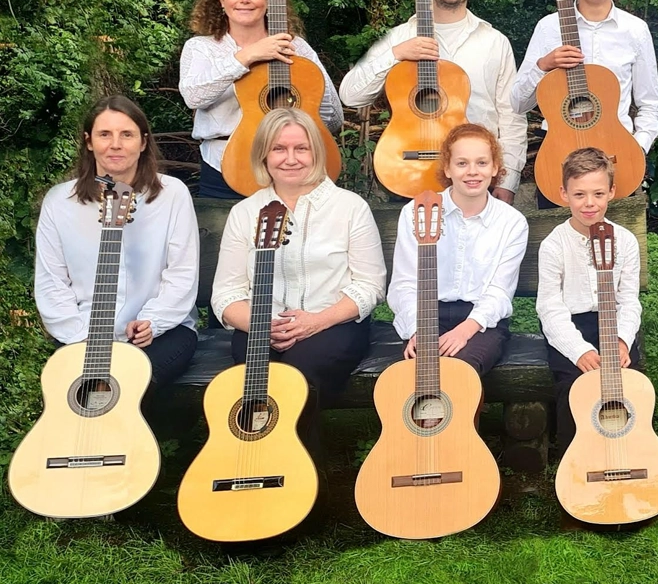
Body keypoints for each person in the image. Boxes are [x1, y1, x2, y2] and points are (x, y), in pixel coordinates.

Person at [209, 108, 386, 426]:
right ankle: (248, 463)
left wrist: (317, 321)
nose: (290, 158)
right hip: (258, 326)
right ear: (264, 154)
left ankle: (297, 469)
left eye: (300, 148)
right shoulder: (245, 213)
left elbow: (370, 284)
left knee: (297, 379)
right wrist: (262, 325)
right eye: (279, 148)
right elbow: (226, 293)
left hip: (333, 323)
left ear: (315, 153)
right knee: (250, 388)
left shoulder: (349, 208)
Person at [339, 0, 528, 202]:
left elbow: (511, 115)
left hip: (476, 177)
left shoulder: (494, 42)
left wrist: (509, 179)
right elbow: (350, 95)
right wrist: (396, 54)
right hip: (407, 171)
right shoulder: (400, 37)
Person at [34, 95, 199, 388]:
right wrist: (81, 335)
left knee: (128, 383)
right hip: (84, 333)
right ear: (88, 142)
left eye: (127, 134)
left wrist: (152, 322)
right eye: (104, 134)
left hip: (160, 332)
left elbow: (181, 274)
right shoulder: (59, 202)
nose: (116, 144)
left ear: (143, 142)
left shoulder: (172, 194)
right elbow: (51, 282)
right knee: (69, 390)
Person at [511, 0, 658, 206]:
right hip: (558, 158)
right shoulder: (548, 28)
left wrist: (637, 148)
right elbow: (518, 103)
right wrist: (544, 66)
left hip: (617, 156)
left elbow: (650, 104)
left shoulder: (636, 31)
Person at [179, 0, 342, 198]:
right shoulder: (201, 47)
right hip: (227, 166)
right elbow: (194, 97)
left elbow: (333, 117)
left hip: (295, 167)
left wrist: (295, 119)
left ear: (270, 0)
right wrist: (247, 57)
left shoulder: (297, 49)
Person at [387, 123, 528, 376]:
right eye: (462, 163)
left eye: (482, 163)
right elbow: (404, 283)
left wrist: (465, 330)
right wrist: (417, 330)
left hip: (481, 320)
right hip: (426, 313)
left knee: (458, 372)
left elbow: (499, 291)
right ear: (447, 168)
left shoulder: (512, 222)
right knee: (414, 374)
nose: (472, 172)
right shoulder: (416, 212)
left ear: (495, 167)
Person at [536, 148, 643, 454]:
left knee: (630, 384)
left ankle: (631, 450)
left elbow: (629, 301)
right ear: (563, 194)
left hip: (614, 325)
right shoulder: (554, 244)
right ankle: (577, 457)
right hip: (571, 328)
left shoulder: (624, 240)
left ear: (611, 192)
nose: (589, 203)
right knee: (575, 387)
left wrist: (622, 341)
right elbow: (549, 307)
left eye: (598, 193)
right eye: (579, 194)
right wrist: (579, 351)